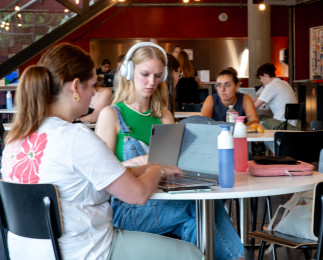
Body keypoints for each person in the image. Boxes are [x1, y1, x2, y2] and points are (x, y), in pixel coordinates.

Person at [0, 42, 205, 260]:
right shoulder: (75, 137)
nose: (95, 94)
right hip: (85, 251)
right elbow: (138, 194)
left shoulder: (15, 139)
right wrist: (157, 168)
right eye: (92, 86)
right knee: (191, 254)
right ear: (76, 87)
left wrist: (144, 167)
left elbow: (108, 174)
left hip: (26, 253)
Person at [96, 42, 244, 260]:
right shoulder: (111, 115)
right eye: (145, 74)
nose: (151, 82)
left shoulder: (164, 116)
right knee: (199, 206)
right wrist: (138, 162)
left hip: (167, 201)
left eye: (157, 76)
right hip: (129, 208)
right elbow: (100, 177)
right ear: (128, 72)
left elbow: (172, 167)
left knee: (196, 223)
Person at [254, 63, 300, 130]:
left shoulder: (271, 86)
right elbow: (260, 100)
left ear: (265, 75)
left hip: (283, 124)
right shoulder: (284, 83)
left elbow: (254, 106)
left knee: (257, 117)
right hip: (295, 124)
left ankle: (257, 139)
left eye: (260, 78)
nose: (260, 81)